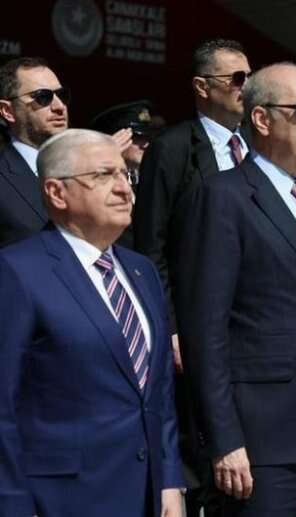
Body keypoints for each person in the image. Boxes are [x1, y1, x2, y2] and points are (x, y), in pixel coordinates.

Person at [173, 62, 296, 517]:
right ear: (261, 118)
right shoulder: (222, 197)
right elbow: (205, 330)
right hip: (259, 441)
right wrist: (224, 439)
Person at [0, 129, 184, 516]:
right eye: (103, 175)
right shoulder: (17, 272)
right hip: (60, 499)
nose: (124, 189)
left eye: (124, 174)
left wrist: (169, 480)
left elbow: (159, 391)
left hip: (148, 495)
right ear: (56, 192)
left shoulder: (142, 271)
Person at [131, 38, 252, 517]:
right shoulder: (173, 148)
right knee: (208, 459)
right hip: (198, 328)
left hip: (256, 327)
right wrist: (171, 327)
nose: (247, 86)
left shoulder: (258, 147)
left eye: (250, 76)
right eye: (237, 78)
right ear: (203, 87)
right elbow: (151, 247)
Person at [0, 57, 69, 247]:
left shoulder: (88, 167)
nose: (59, 106)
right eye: (42, 97)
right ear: (7, 111)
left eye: (61, 95)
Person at [91, 100, 157, 249]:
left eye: (148, 137)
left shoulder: (150, 179)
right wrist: (104, 157)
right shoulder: (96, 183)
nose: (146, 144)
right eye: (138, 137)